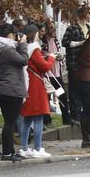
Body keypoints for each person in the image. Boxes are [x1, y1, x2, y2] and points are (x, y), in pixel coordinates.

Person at [0, 23, 30, 162]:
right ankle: (7, 153)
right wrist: (23, 44)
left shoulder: (0, 47)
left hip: (4, 88)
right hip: (10, 89)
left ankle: (10, 151)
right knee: (10, 123)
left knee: (9, 122)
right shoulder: (7, 50)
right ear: (11, 35)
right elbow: (23, 60)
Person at [18, 24, 56, 158]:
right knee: (39, 117)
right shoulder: (34, 49)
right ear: (33, 34)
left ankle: (24, 147)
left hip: (27, 83)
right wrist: (51, 57)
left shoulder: (23, 48)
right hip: (36, 85)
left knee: (27, 118)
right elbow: (45, 66)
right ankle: (38, 148)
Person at [61, 5, 90, 121]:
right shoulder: (72, 28)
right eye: (88, 13)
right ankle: (75, 115)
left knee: (85, 89)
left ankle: (85, 114)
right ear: (83, 15)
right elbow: (65, 42)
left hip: (86, 64)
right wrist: (80, 43)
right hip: (74, 63)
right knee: (74, 89)